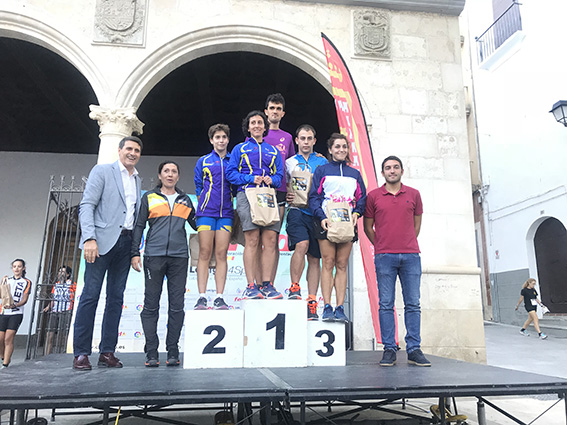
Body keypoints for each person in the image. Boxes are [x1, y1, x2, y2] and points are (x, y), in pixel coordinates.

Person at [73, 135, 142, 370]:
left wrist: (134, 249)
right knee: (90, 295)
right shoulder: (102, 171)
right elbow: (87, 205)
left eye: (137, 150)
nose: (132, 153)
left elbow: (132, 215)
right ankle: (81, 353)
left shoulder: (137, 179)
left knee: (116, 299)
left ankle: (107, 352)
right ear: (119, 150)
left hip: (125, 243)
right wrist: (89, 238)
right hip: (100, 243)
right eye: (129, 148)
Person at [363, 155, 430, 367]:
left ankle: (414, 349)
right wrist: (382, 245)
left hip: (411, 256)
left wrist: (406, 242)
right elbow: (367, 227)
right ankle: (389, 348)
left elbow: (417, 225)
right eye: (388, 168)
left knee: (413, 304)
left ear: (402, 170)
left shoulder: (414, 194)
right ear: (382, 172)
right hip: (384, 256)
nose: (392, 171)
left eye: (395, 167)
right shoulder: (373, 196)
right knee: (385, 304)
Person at [131, 161, 197, 367]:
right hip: (154, 256)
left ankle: (173, 350)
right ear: (160, 175)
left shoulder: (185, 200)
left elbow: (197, 224)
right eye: (166, 171)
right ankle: (151, 351)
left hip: (179, 257)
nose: (170, 174)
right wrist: (134, 253)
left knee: (177, 306)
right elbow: (139, 225)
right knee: (151, 305)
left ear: (178, 176)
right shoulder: (149, 197)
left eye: (174, 171)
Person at [226, 110, 284, 300]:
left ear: (265, 127)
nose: (257, 125)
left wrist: (272, 180)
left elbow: (280, 176)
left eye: (260, 122)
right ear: (248, 127)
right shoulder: (239, 149)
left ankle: (266, 284)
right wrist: (250, 178)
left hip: (267, 196)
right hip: (246, 194)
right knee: (252, 240)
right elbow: (231, 173)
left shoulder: (273, 151)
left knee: (271, 240)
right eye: (253, 123)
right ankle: (251, 285)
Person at [309, 133, 366, 323]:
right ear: (330, 150)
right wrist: (321, 217)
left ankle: (340, 307)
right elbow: (314, 197)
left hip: (346, 222)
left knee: (342, 264)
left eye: (344, 147)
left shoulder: (355, 173)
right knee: (328, 262)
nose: (341, 150)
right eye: (337, 147)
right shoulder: (322, 170)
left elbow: (362, 197)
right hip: (327, 221)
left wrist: (357, 213)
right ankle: (327, 306)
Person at [285, 125, 328, 319]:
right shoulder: (289, 162)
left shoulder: (322, 161)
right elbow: (284, 185)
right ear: (296, 140)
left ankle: (312, 300)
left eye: (309, 138)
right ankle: (294, 287)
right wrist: (287, 194)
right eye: (302, 138)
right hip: (297, 210)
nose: (306, 142)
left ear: (314, 141)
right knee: (301, 245)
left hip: (316, 213)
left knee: (315, 258)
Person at [193, 124, 234, 311]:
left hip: (226, 214)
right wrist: (204, 204)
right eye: (217, 137)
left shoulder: (233, 161)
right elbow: (198, 185)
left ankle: (219, 297)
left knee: (221, 254)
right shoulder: (203, 160)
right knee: (204, 252)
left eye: (224, 137)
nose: (221, 140)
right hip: (206, 213)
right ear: (211, 140)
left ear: (228, 140)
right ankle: (201, 297)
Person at [263, 93, 296, 284]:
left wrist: (292, 190)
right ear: (266, 111)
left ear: (283, 113)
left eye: (278, 109)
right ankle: (256, 284)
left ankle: (270, 283)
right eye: (272, 108)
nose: (275, 112)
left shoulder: (288, 137)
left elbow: (292, 166)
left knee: (273, 239)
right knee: (256, 240)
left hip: (280, 191)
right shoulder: (257, 134)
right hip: (259, 191)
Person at [0, 259, 31, 368]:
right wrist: (2, 283)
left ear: (23, 268)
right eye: (14, 266)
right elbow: (1, 295)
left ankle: (5, 364)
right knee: (0, 338)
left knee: (8, 338)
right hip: (4, 312)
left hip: (16, 313)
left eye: (19, 266)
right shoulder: (7, 280)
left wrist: (15, 305)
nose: (16, 269)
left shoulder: (26, 282)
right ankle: (3, 357)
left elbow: (24, 299)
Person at [42, 265, 76, 355]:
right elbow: (53, 298)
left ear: (68, 274)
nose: (60, 274)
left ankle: (64, 353)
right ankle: (47, 355)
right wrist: (48, 307)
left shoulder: (72, 284)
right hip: (55, 310)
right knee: (49, 334)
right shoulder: (56, 285)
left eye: (63, 272)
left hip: (66, 310)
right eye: (59, 272)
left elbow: (75, 296)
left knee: (64, 334)